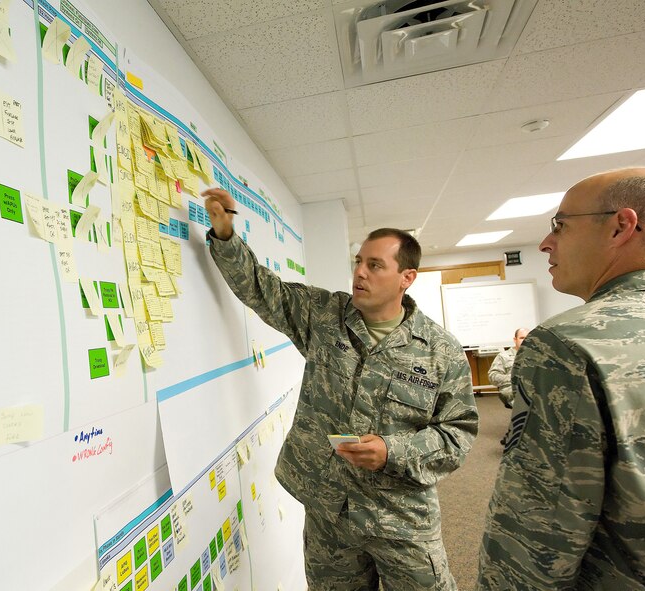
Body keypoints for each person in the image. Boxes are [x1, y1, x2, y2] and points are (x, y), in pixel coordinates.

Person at [202, 187, 478, 591]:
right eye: (358, 262)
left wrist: (392, 451)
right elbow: (263, 290)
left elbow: (458, 434)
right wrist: (225, 234)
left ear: (407, 277)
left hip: (400, 517)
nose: (360, 273)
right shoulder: (324, 315)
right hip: (329, 510)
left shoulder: (441, 351)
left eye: (374, 265)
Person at [478, 167, 645, 589]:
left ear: (621, 227)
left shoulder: (568, 346)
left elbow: (539, 530)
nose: (545, 243)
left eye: (560, 225)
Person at [487, 327, 529, 409]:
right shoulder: (503, 356)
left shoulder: (537, 356)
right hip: (512, 388)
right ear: (515, 339)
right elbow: (492, 376)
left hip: (532, 387)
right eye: (522, 338)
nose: (525, 341)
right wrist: (513, 378)